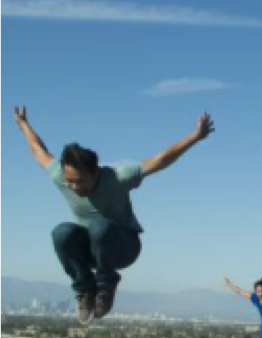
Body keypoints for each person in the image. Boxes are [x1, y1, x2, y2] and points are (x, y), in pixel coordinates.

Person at [14, 106, 215, 322]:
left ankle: (106, 288)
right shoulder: (62, 176)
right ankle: (85, 291)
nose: (72, 186)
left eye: (79, 181)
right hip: (93, 249)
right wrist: (24, 124)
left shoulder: (117, 178)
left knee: (100, 226)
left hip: (124, 246)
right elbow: (38, 150)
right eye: (69, 180)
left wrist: (195, 137)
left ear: (95, 172)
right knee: (61, 232)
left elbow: (161, 160)